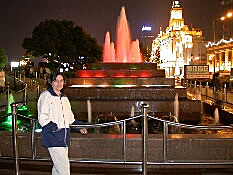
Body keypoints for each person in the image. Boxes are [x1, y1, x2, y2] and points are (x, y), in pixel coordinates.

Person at [38, 72, 87, 175]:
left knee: (57, 168)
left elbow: (69, 118)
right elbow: (42, 118)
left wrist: (79, 127)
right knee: (64, 169)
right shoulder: (46, 96)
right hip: (54, 137)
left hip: (64, 137)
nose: (59, 83)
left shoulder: (64, 98)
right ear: (51, 82)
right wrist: (55, 128)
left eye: (61, 80)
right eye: (56, 80)